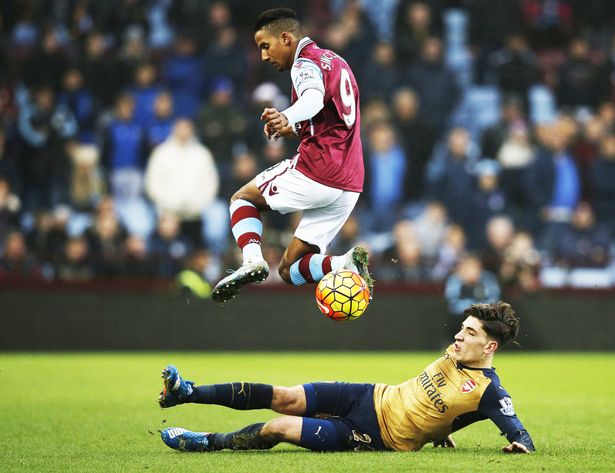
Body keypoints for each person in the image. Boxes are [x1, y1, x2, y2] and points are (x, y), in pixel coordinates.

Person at [157, 302, 535, 454]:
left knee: (279, 427)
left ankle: (207, 442)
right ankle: (187, 392)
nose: (458, 335)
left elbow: (518, 432)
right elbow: (448, 405)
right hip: (368, 395)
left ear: (490, 348)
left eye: (470, 333)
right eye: (462, 328)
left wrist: (519, 446)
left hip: (375, 435)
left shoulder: (490, 391)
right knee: (285, 396)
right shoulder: (453, 356)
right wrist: (440, 429)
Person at [212, 8, 373, 303]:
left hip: (319, 171)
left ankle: (251, 260)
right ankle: (343, 264)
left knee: (242, 200)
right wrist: (296, 128)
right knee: (289, 270)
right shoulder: (336, 61)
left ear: (285, 38)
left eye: (265, 46)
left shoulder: (305, 64)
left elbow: (312, 98)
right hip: (350, 182)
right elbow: (333, 120)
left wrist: (286, 116)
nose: (263, 56)